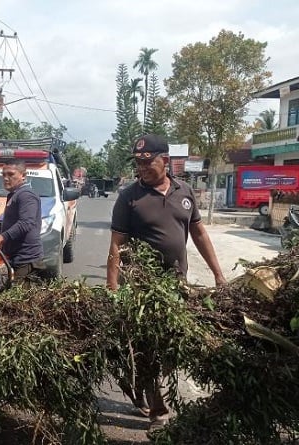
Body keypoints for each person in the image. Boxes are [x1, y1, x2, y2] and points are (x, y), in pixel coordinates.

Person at [106, 134, 226, 431]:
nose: (142, 168)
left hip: (176, 285)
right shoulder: (129, 197)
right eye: (138, 163)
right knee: (147, 348)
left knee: (169, 347)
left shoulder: (184, 191)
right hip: (142, 289)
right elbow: (116, 246)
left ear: (165, 161)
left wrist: (218, 273)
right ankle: (158, 411)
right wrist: (113, 289)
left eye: (147, 162)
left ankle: (142, 385)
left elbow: (199, 234)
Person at [0, 159, 45, 284]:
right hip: (16, 257)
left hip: (26, 259)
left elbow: (26, 223)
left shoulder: (26, 195)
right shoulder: (14, 194)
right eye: (4, 175)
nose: (6, 178)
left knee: (21, 301)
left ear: (23, 175)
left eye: (11, 174)